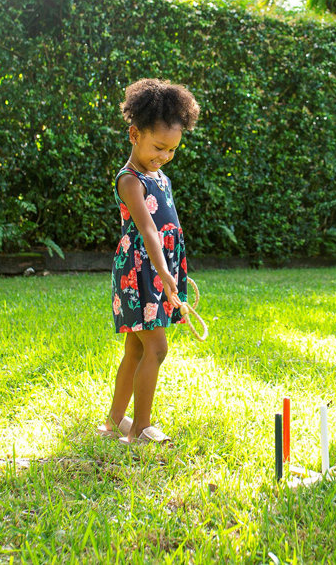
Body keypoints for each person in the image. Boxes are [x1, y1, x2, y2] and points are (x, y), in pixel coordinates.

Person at [97, 78, 200, 444]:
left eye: (172, 150)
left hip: (156, 271)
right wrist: (162, 271)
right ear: (134, 134)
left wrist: (172, 272)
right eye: (158, 147)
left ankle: (113, 421)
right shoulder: (130, 180)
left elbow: (169, 231)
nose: (164, 156)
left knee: (135, 349)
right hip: (138, 273)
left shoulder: (161, 176)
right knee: (156, 348)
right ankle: (139, 427)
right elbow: (149, 230)